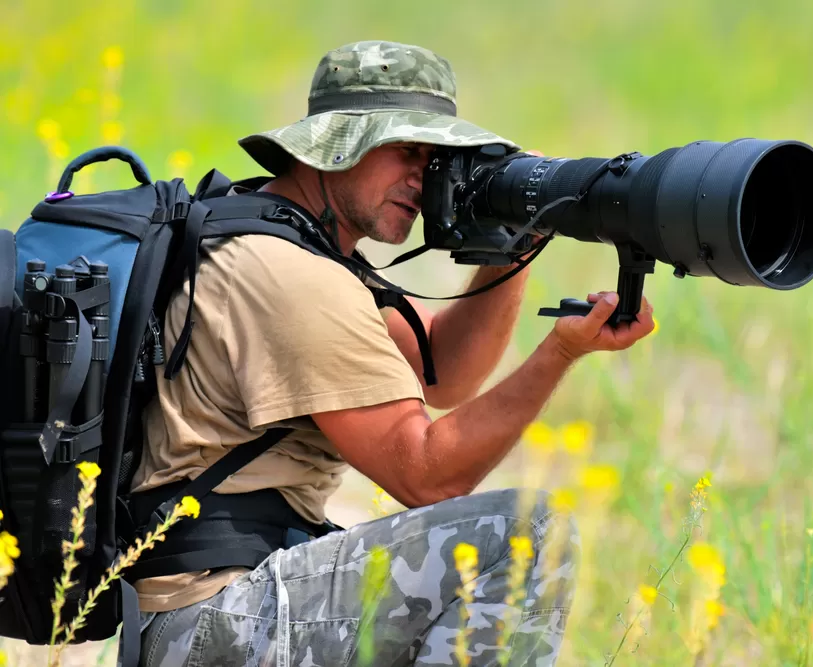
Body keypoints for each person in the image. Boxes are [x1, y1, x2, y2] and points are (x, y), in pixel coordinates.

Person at [130, 40, 655, 666]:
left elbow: (442, 369)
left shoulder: (279, 239)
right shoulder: (295, 277)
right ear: (339, 143)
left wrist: (514, 238)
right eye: (407, 149)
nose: (423, 175)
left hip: (209, 616)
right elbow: (428, 475)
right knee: (527, 534)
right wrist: (558, 355)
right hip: (219, 624)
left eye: (435, 158)